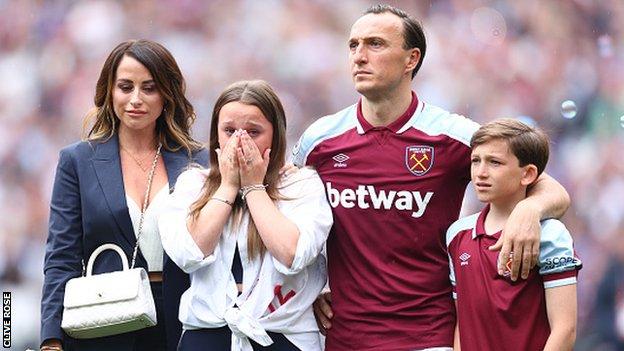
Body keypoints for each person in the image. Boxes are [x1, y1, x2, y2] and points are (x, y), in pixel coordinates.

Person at [291, 4, 570, 351]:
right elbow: (292, 220)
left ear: (411, 59)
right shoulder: (319, 140)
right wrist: (311, 288)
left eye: (375, 44)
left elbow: (547, 185)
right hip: (344, 337)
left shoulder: (451, 135)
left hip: (427, 336)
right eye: (353, 45)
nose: (359, 56)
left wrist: (530, 211)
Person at [40, 39, 208, 351]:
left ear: (166, 95)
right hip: (104, 323)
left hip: (185, 320)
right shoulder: (76, 161)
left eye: (149, 88)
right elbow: (61, 256)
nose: (135, 99)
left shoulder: (198, 162)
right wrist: (50, 338)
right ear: (109, 92)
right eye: (125, 86)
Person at [158, 80, 333, 351]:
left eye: (254, 131)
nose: (240, 141)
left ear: (276, 135)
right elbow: (188, 253)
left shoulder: (301, 184)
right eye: (229, 131)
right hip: (207, 333)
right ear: (216, 135)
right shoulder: (193, 183)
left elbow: (294, 254)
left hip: (282, 335)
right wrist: (228, 186)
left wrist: (254, 187)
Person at [446, 118, 581, 351]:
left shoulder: (550, 235)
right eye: (475, 161)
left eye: (495, 163)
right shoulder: (457, 235)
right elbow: (462, 323)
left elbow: (564, 330)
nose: (480, 172)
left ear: (528, 174)